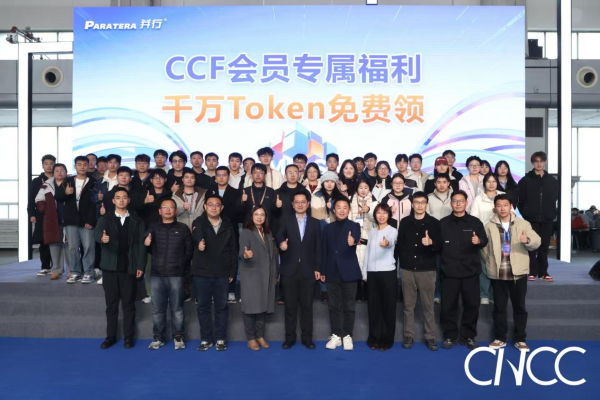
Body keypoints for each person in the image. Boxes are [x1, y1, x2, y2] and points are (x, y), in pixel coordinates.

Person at [483, 194, 540, 352]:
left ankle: (520, 339)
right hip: (498, 272)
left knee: (519, 307)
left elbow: (537, 241)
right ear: (495, 208)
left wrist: (527, 241)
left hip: (518, 273)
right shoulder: (489, 226)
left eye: (505, 205)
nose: (502, 208)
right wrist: (489, 261)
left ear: (511, 207)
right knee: (499, 307)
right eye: (499, 205)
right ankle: (500, 338)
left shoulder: (523, 224)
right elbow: (484, 249)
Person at [94, 187, 147, 349]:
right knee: (111, 305)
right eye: (118, 197)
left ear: (128, 200)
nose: (121, 200)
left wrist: (140, 265)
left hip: (129, 268)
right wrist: (102, 238)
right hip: (110, 268)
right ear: (113, 200)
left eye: (124, 197)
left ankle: (128, 337)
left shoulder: (137, 220)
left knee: (128, 304)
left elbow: (142, 245)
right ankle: (110, 337)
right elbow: (96, 234)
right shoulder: (106, 218)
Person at [440, 190, 488, 350]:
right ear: (451, 203)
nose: (458, 203)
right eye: (455, 201)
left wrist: (479, 240)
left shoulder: (475, 222)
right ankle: (450, 336)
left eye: (461, 201)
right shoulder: (443, 223)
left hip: (470, 271)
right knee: (448, 306)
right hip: (449, 271)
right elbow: (438, 245)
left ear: (466, 203)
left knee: (472, 305)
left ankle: (468, 336)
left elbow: (484, 240)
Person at [145, 198, 194, 350]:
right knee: (157, 309)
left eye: (171, 207)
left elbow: (189, 251)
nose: (167, 210)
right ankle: (158, 337)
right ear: (159, 211)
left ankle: (178, 336)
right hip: (156, 275)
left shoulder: (183, 228)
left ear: (175, 210)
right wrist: (146, 243)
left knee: (177, 308)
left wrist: (180, 263)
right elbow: (147, 245)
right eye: (164, 207)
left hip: (176, 274)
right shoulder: (153, 227)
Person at [192, 193, 238, 352]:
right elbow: (197, 234)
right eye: (210, 204)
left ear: (222, 207)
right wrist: (200, 243)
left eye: (217, 205)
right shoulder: (198, 222)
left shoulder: (228, 225)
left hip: (223, 273)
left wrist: (233, 271)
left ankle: (220, 338)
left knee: (221, 307)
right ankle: (206, 339)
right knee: (203, 308)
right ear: (205, 207)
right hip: (202, 273)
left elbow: (233, 250)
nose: (213, 207)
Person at [277, 192, 322, 349]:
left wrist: (318, 268)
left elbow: (318, 248)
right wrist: (282, 244)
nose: (300, 204)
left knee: (307, 307)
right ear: (293, 204)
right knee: (290, 307)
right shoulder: (285, 220)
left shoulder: (315, 223)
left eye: (303, 202)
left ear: (308, 204)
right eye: (297, 202)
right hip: (289, 270)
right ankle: (289, 338)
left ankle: (307, 338)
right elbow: (279, 237)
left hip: (308, 271)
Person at [398, 192, 441, 351]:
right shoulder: (405, 222)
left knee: (428, 306)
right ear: (412, 204)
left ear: (427, 204)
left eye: (423, 202)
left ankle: (430, 336)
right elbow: (400, 245)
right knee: (408, 306)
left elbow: (440, 246)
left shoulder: (434, 223)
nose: (420, 205)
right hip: (408, 269)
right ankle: (408, 335)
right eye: (417, 202)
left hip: (427, 269)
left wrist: (431, 242)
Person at [322, 198, 362, 351]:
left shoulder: (354, 226)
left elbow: (356, 237)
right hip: (332, 271)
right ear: (334, 210)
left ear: (349, 210)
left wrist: (353, 241)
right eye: (339, 207)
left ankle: (347, 336)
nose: (342, 210)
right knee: (333, 305)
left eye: (345, 207)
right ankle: (336, 335)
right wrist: (323, 270)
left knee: (349, 306)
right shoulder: (328, 228)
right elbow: (324, 250)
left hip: (349, 272)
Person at [238, 205, 278, 351]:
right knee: (250, 308)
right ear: (251, 216)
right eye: (256, 214)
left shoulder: (267, 232)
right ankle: (251, 338)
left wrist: (275, 274)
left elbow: (272, 255)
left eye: (262, 215)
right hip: (251, 275)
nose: (259, 217)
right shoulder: (246, 232)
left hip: (266, 275)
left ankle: (260, 336)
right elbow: (242, 252)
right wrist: (245, 255)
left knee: (263, 306)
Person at [517, 151, 558, 282]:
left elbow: (555, 198)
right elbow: (520, 200)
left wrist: (552, 212)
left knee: (544, 246)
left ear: (545, 162)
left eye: (541, 161)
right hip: (530, 219)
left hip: (547, 218)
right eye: (536, 161)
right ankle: (532, 271)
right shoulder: (525, 180)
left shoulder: (552, 181)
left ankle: (543, 272)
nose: (539, 164)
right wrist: (526, 212)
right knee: (532, 246)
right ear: (532, 162)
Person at [363, 203, 398, 351]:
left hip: (387, 272)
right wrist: (365, 273)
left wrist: (386, 243)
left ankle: (386, 340)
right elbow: (367, 253)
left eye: (384, 212)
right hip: (372, 273)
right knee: (373, 307)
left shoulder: (393, 230)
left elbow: (391, 241)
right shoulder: (372, 232)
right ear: (375, 215)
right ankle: (374, 338)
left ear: (389, 215)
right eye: (378, 213)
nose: (381, 215)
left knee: (388, 308)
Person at [471, 173, 505, 305]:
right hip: (484, 236)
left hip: (501, 235)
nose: (491, 184)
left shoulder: (503, 196)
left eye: (494, 181)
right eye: (488, 181)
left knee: (499, 265)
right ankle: (484, 293)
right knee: (485, 266)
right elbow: (474, 218)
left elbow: (512, 214)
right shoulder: (479, 198)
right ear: (484, 183)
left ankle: (494, 294)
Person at [208, 166, 241, 303]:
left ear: (228, 177)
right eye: (219, 175)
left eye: (224, 175)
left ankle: (231, 291)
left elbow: (237, 212)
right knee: (212, 258)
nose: (221, 177)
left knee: (231, 258)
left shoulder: (236, 192)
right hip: (212, 229)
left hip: (230, 228)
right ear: (215, 177)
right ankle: (213, 291)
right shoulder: (210, 191)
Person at [140, 168, 172, 304]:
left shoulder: (170, 194)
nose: (158, 180)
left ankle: (167, 294)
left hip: (168, 233)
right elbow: (136, 210)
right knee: (149, 266)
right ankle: (150, 293)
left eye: (161, 178)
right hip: (149, 234)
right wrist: (144, 202)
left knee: (168, 266)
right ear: (151, 180)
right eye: (155, 178)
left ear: (165, 180)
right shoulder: (145, 193)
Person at [64, 156, 98, 284]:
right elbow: (58, 197)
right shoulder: (68, 181)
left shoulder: (93, 182)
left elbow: (95, 203)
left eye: (85, 164)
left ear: (89, 166)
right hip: (71, 220)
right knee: (73, 247)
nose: (82, 167)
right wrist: (65, 193)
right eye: (79, 164)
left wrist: (91, 220)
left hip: (87, 220)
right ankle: (75, 272)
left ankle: (88, 273)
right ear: (75, 166)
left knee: (88, 246)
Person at [34, 163, 67, 280]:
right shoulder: (46, 185)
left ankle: (72, 271)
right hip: (53, 220)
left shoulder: (70, 183)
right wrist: (44, 209)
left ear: (66, 172)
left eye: (62, 170)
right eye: (57, 171)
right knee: (54, 245)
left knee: (69, 246)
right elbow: (38, 199)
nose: (59, 173)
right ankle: (56, 270)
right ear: (53, 173)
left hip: (69, 219)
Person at [349, 179, 378, 302]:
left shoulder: (375, 201)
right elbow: (348, 219)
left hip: (369, 238)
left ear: (369, 189)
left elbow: (378, 220)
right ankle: (357, 293)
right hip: (354, 239)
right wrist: (354, 236)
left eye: (366, 187)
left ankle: (367, 292)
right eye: (360, 187)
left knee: (368, 266)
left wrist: (369, 211)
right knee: (355, 265)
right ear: (356, 189)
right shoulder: (351, 200)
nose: (363, 190)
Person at [427, 173, 454, 303]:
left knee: (450, 267)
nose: (442, 185)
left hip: (452, 236)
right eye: (439, 182)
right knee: (436, 268)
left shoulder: (455, 197)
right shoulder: (429, 198)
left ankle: (449, 295)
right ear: (434, 184)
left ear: (449, 183)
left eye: (444, 182)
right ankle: (437, 294)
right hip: (435, 237)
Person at [29, 154, 55, 276]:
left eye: (51, 163)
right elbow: (31, 198)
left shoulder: (58, 179)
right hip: (41, 215)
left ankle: (56, 267)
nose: (49, 166)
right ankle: (45, 266)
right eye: (46, 163)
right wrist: (31, 213)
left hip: (56, 214)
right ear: (42, 165)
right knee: (43, 241)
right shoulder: (36, 181)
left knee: (56, 241)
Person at [239, 163, 280, 229]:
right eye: (255, 172)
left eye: (261, 172)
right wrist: (242, 202)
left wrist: (278, 207)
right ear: (251, 175)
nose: (258, 175)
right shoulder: (245, 191)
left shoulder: (271, 191)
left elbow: (275, 213)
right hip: (248, 227)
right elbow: (240, 213)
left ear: (265, 175)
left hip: (267, 228)